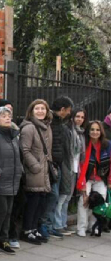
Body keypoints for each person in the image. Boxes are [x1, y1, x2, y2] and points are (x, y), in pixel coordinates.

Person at [0, 107, 23, 255]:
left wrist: (19, 170)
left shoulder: (13, 136)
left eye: (9, 116)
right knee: (0, 211)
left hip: (13, 179)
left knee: (8, 212)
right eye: (3, 116)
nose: (8, 118)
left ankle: (4, 240)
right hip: (0, 180)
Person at [19, 99, 53, 245]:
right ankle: (27, 230)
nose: (40, 111)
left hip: (44, 171)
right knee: (32, 202)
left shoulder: (47, 126)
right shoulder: (29, 128)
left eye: (43, 109)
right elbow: (24, 149)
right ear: (31, 111)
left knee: (41, 202)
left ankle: (34, 229)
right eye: (37, 108)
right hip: (34, 170)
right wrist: (35, 166)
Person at [40, 96, 74, 239]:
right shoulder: (51, 122)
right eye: (68, 111)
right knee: (52, 195)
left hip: (57, 164)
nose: (68, 113)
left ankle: (49, 225)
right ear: (62, 110)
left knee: (55, 196)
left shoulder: (59, 123)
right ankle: (44, 224)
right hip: (51, 165)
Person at [75, 120, 111, 237]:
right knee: (83, 201)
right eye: (92, 129)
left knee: (100, 202)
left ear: (101, 131)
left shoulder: (108, 145)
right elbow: (80, 164)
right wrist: (82, 184)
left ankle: (93, 226)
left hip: (101, 178)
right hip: (86, 177)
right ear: (88, 131)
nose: (95, 132)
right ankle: (81, 227)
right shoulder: (84, 145)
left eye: (97, 130)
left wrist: (110, 181)